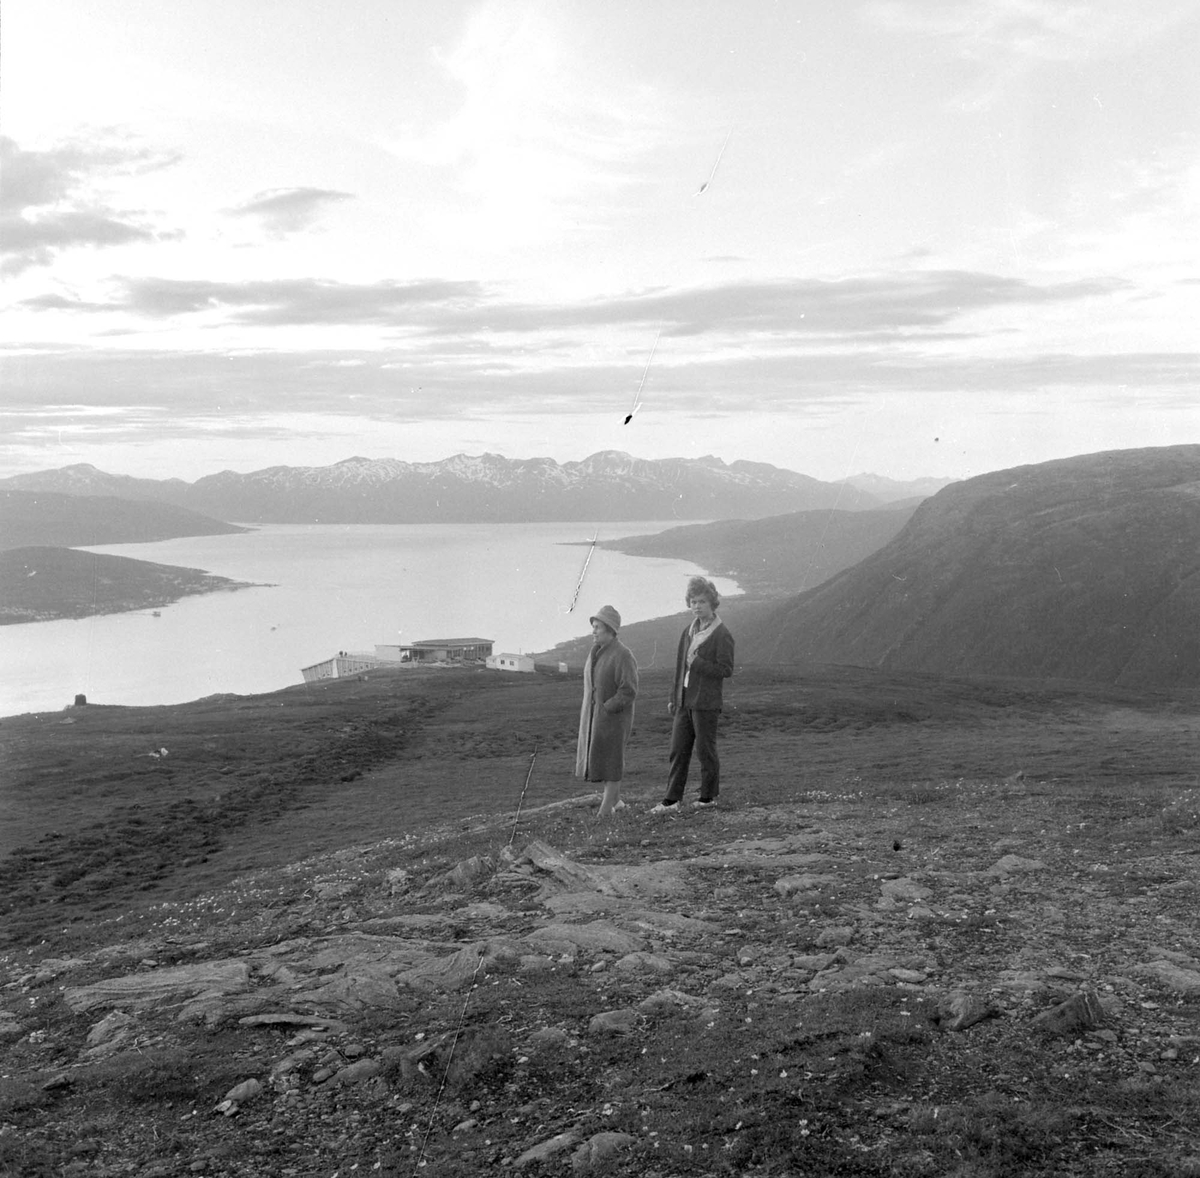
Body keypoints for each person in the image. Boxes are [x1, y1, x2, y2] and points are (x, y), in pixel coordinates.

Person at [651, 576, 734, 814]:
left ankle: (707, 798)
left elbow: (725, 669)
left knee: (705, 751)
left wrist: (698, 663)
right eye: (693, 601)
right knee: (678, 749)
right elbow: (680, 667)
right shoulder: (688, 631)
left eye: (702, 602)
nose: (697, 606)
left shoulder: (722, 634)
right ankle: (671, 800)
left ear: (712, 603)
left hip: (706, 702)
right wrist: (673, 697)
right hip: (685, 700)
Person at [575, 605, 639, 818]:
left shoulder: (623, 655)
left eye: (597, 628)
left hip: (614, 719)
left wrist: (607, 707)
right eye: (593, 627)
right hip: (597, 718)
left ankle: (604, 812)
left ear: (610, 629)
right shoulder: (595, 652)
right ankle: (617, 802)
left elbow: (628, 690)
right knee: (604, 758)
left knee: (612, 761)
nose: (593, 631)